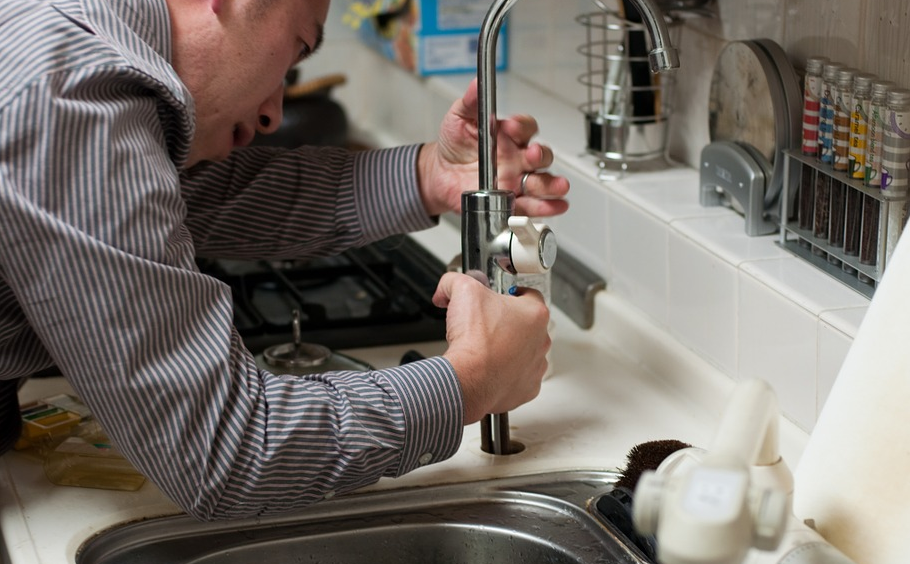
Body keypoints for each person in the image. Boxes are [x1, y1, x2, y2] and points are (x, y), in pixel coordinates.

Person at [0, 0, 570, 520]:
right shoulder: (72, 95)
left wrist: (430, 175)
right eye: (298, 47)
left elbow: (205, 199)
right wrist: (471, 380)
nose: (274, 113)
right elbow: (224, 450)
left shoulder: (77, 41)